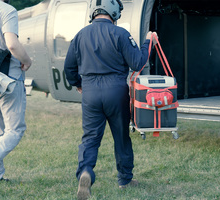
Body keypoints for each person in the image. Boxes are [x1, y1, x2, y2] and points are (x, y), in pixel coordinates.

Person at [64, 0, 157, 199]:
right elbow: (138, 62)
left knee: (90, 138)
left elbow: (68, 67)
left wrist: (78, 83)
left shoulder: (80, 35)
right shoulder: (121, 33)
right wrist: (148, 42)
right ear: (114, 12)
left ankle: (86, 171)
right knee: (121, 136)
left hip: (90, 92)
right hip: (116, 91)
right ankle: (125, 179)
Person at [0, 0, 32, 194]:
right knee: (15, 129)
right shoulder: (7, 10)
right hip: (8, 78)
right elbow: (12, 44)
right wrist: (26, 60)